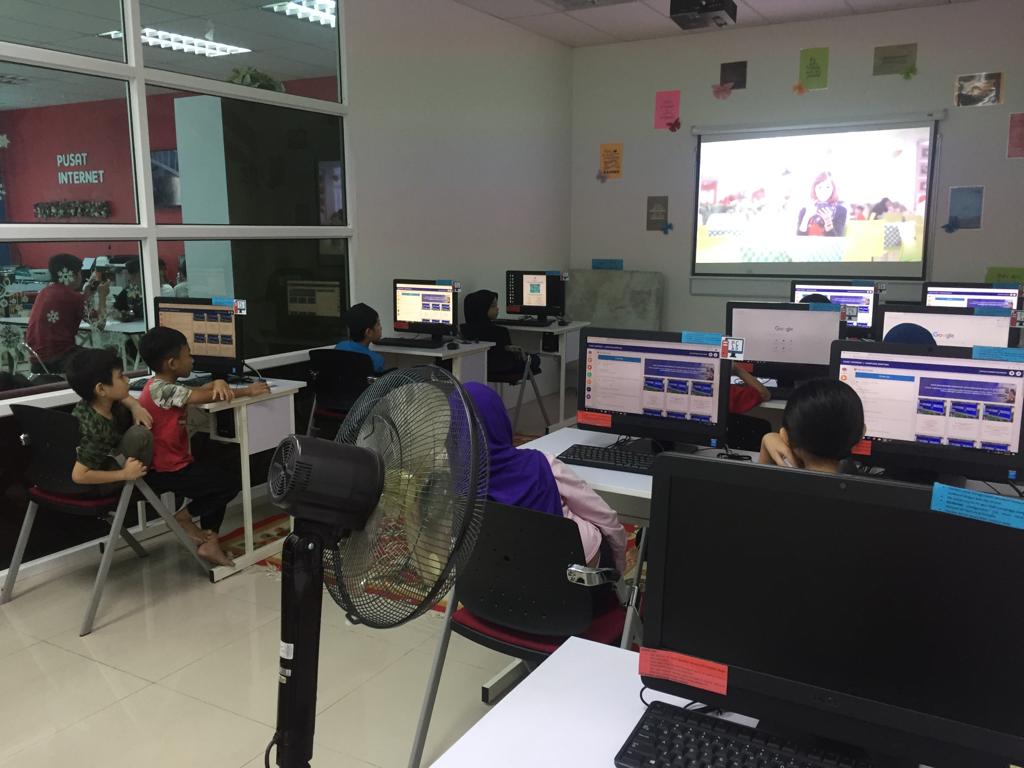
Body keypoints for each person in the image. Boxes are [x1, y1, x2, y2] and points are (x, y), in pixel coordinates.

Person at [137, 326, 270, 566]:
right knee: (228, 483)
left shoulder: (159, 386)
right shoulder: (162, 390)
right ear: (172, 363)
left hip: (171, 465)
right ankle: (184, 517)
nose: (193, 359)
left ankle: (210, 543)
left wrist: (217, 381)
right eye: (188, 355)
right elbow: (199, 396)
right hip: (167, 470)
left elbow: (194, 391)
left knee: (219, 476)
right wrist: (247, 391)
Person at [465, 382, 626, 572]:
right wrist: (618, 567)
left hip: (507, 576)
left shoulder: (455, 488)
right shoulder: (542, 464)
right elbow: (606, 518)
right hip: (576, 569)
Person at [68, 348, 153, 495]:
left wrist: (135, 406)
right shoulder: (97, 431)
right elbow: (79, 475)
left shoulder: (92, 402)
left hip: (100, 459)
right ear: (101, 389)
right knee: (140, 435)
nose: (127, 380)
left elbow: (123, 396)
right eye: (120, 376)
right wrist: (124, 474)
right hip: (99, 483)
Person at [759, 379, 865, 474]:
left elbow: (758, 486)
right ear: (862, 433)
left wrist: (766, 442)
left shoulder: (784, 484)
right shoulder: (859, 488)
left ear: (785, 436)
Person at [25, 253, 107, 374]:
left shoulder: (44, 292)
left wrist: (86, 296)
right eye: (79, 272)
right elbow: (99, 325)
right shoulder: (74, 298)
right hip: (59, 358)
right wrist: (102, 296)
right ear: (72, 275)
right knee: (105, 358)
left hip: (37, 358)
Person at [461, 289, 540, 377]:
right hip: (505, 369)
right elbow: (509, 355)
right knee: (535, 359)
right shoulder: (500, 331)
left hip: (480, 368)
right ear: (482, 309)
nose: (497, 308)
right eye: (493, 306)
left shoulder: (463, 330)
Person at [336, 302, 386, 374]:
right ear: (368, 332)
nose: (381, 327)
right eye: (378, 324)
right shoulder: (376, 360)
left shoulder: (340, 347)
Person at [797, 172, 847, 237]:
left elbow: (837, 240)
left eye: (827, 187)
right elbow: (799, 238)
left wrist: (828, 221)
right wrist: (806, 217)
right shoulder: (805, 210)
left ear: (833, 189)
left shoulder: (840, 210)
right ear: (814, 189)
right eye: (819, 187)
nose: (823, 191)